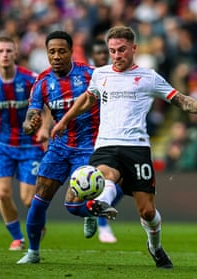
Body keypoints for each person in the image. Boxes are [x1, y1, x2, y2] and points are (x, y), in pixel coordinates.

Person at [51, 25, 197, 268]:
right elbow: (86, 100)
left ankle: (154, 247)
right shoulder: (100, 75)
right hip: (107, 144)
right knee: (106, 174)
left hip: (137, 148)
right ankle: (100, 203)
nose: (116, 55)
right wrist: (64, 121)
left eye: (121, 50)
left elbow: (179, 99)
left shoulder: (148, 77)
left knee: (147, 212)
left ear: (134, 48)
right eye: (112, 51)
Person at [16, 30, 123, 265]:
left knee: (72, 206)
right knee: (38, 201)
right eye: (51, 52)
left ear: (71, 52)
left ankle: (94, 210)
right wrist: (29, 124)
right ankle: (33, 252)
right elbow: (30, 116)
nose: (56, 56)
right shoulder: (42, 82)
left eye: (61, 51)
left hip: (88, 147)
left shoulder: (89, 75)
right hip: (58, 148)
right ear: (46, 53)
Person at [0, 36, 48, 251]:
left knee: (28, 199)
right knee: (2, 194)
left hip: (30, 145)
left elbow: (47, 106)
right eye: (1, 51)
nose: (5, 54)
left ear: (16, 54)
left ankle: (38, 223)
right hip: (2, 144)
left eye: (9, 51)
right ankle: (18, 237)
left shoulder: (30, 80)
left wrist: (44, 128)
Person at [87, 38, 117, 244]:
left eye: (105, 53)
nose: (102, 56)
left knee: (117, 184)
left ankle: (97, 214)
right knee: (93, 181)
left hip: (111, 137)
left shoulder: (117, 76)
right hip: (88, 138)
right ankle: (100, 223)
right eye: (98, 53)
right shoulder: (88, 77)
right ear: (92, 56)